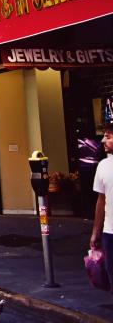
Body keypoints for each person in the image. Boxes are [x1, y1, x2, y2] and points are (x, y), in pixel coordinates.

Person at [90, 123, 113, 287]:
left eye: (108, 136)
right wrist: (96, 233)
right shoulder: (103, 166)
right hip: (110, 232)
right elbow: (101, 200)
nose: (103, 140)